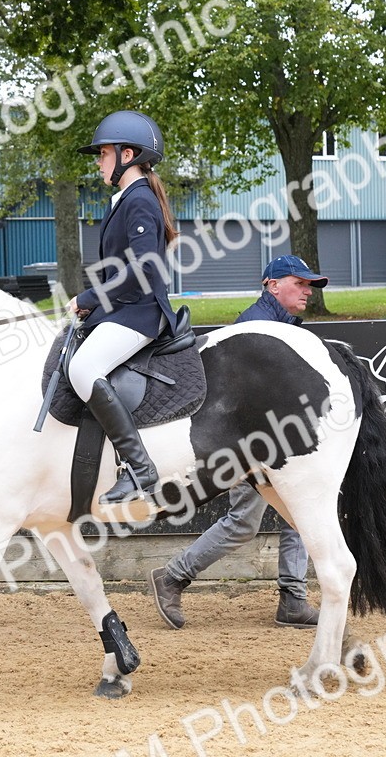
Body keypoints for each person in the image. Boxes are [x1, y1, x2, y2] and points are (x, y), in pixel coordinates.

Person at [149, 254, 328, 629]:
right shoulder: (256, 327)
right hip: (253, 443)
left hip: (273, 440)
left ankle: (293, 599)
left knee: (297, 515)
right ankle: (172, 577)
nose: (307, 291)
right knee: (244, 523)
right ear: (272, 285)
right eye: (300, 283)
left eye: (309, 285)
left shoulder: (285, 327)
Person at [68, 110, 178, 505]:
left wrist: (90, 298)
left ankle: (139, 467)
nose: (98, 162)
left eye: (103, 154)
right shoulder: (128, 198)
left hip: (140, 313)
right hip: (124, 309)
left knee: (82, 368)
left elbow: (145, 268)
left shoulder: (139, 199)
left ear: (126, 154)